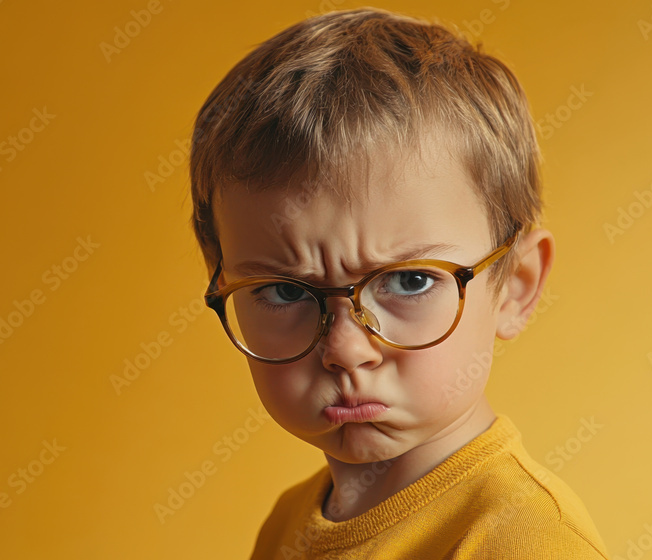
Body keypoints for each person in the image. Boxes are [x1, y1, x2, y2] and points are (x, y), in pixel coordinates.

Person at [188, 7, 609, 559]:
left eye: (410, 281)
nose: (344, 350)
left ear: (515, 286)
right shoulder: (289, 523)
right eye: (284, 290)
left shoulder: (523, 542)